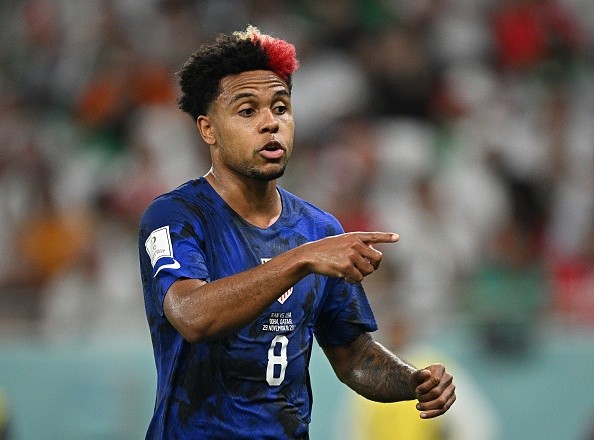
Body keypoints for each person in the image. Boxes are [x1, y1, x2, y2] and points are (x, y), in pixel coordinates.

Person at [138, 25, 456, 439]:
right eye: (248, 111)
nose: (270, 123)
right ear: (208, 129)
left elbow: (353, 358)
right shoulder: (175, 215)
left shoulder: (317, 229)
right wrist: (300, 259)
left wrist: (412, 382)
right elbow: (193, 316)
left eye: (281, 108)